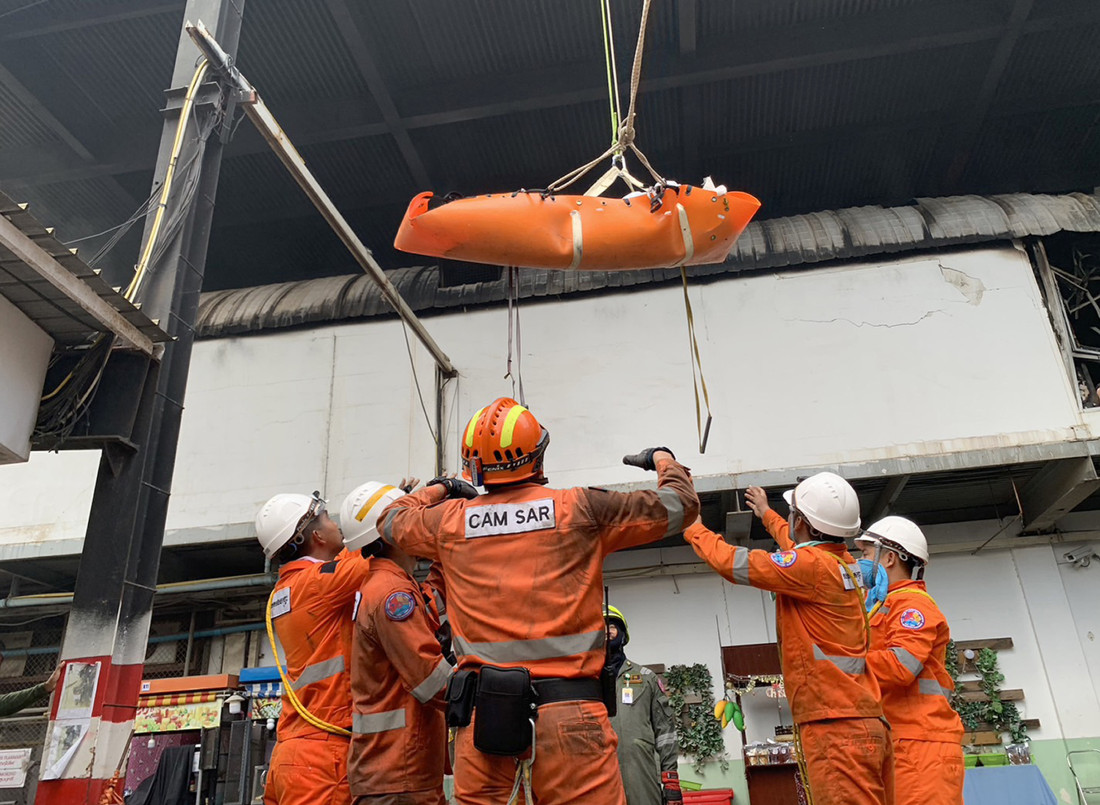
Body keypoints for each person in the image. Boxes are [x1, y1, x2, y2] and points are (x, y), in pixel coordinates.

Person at [378, 397, 699, 805]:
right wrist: (663, 459)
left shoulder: (450, 521)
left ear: (473, 467)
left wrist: (443, 487)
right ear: (538, 457)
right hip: (572, 719)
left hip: (483, 726)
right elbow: (681, 506)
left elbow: (389, 521)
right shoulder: (580, 508)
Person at [685, 473, 893, 805]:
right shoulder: (845, 564)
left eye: (794, 512)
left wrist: (694, 528)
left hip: (834, 727)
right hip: (863, 719)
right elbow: (796, 548)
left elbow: (735, 563)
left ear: (804, 523)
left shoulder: (811, 567)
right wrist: (767, 514)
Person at [255, 489, 373, 805]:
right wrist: (397, 505)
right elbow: (373, 551)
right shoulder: (316, 584)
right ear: (317, 535)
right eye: (330, 518)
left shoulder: (287, 589)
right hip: (320, 758)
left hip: (292, 751)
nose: (337, 525)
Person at [339, 481, 452, 805]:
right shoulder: (391, 594)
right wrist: (487, 694)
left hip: (395, 772)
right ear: (392, 534)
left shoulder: (390, 583)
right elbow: (430, 680)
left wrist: (450, 525)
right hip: (397, 773)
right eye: (407, 520)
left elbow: (434, 601)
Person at [855, 516, 964, 805]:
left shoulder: (912, 605)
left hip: (921, 743)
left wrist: (840, 662)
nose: (860, 561)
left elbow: (900, 667)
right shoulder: (881, 605)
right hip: (902, 739)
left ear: (889, 558)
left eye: (866, 554)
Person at [603, 606, 681, 805]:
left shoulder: (646, 678)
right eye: (600, 629)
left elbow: (665, 730)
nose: (606, 632)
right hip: (599, 773)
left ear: (622, 633)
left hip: (641, 771)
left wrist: (670, 780)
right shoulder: (586, 681)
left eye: (611, 627)